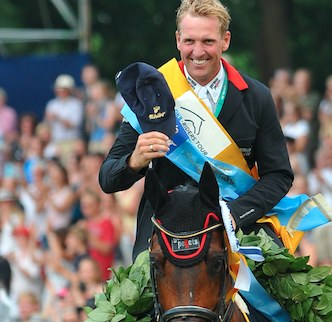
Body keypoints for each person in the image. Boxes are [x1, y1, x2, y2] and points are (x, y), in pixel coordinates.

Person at [99, 0, 293, 260]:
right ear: (178, 39)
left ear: (225, 40)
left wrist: (235, 213)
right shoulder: (148, 92)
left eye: (208, 42)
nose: (198, 52)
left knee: (288, 295)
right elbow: (107, 179)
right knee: (129, 300)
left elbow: (279, 175)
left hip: (234, 226)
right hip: (163, 234)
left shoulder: (256, 97)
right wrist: (135, 160)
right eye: (189, 41)